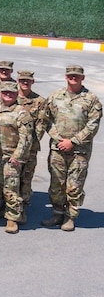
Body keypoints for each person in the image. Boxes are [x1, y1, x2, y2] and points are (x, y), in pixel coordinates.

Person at [42, 65, 101, 231]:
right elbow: (46, 120)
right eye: (70, 75)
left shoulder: (91, 99)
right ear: (66, 76)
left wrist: (73, 141)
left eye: (76, 76)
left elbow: (93, 126)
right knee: (56, 184)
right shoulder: (55, 96)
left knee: (74, 186)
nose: (73, 78)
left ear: (82, 78)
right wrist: (58, 138)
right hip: (57, 148)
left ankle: (70, 217)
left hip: (79, 151)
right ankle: (57, 214)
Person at [0, 83, 34, 234]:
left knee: (11, 188)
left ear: (16, 94)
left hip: (11, 157)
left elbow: (26, 138)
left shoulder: (22, 113)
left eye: (11, 92)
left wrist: (18, 156)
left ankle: (12, 218)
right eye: (5, 92)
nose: (8, 95)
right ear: (1, 93)